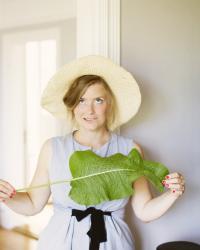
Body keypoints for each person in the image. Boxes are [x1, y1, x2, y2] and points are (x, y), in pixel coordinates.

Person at [0, 55, 185, 250]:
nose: (89, 110)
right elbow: (32, 204)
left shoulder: (130, 150)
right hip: (59, 243)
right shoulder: (53, 148)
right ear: (72, 105)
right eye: (81, 100)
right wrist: (7, 196)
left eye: (98, 100)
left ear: (109, 104)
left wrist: (172, 194)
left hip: (113, 243)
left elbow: (144, 211)